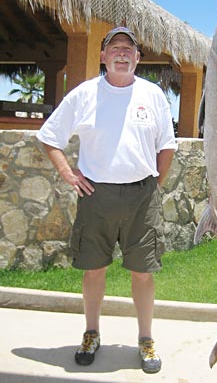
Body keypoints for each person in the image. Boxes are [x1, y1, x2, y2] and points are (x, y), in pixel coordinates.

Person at [36, 27, 177, 374]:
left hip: (141, 197)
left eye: (129, 49)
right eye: (114, 48)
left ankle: (145, 340)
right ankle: (91, 333)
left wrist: (155, 184)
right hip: (96, 196)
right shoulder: (84, 94)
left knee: (143, 273)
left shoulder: (153, 94)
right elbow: (50, 137)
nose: (122, 54)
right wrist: (70, 175)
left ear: (138, 58)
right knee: (94, 269)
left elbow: (167, 144)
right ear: (103, 57)